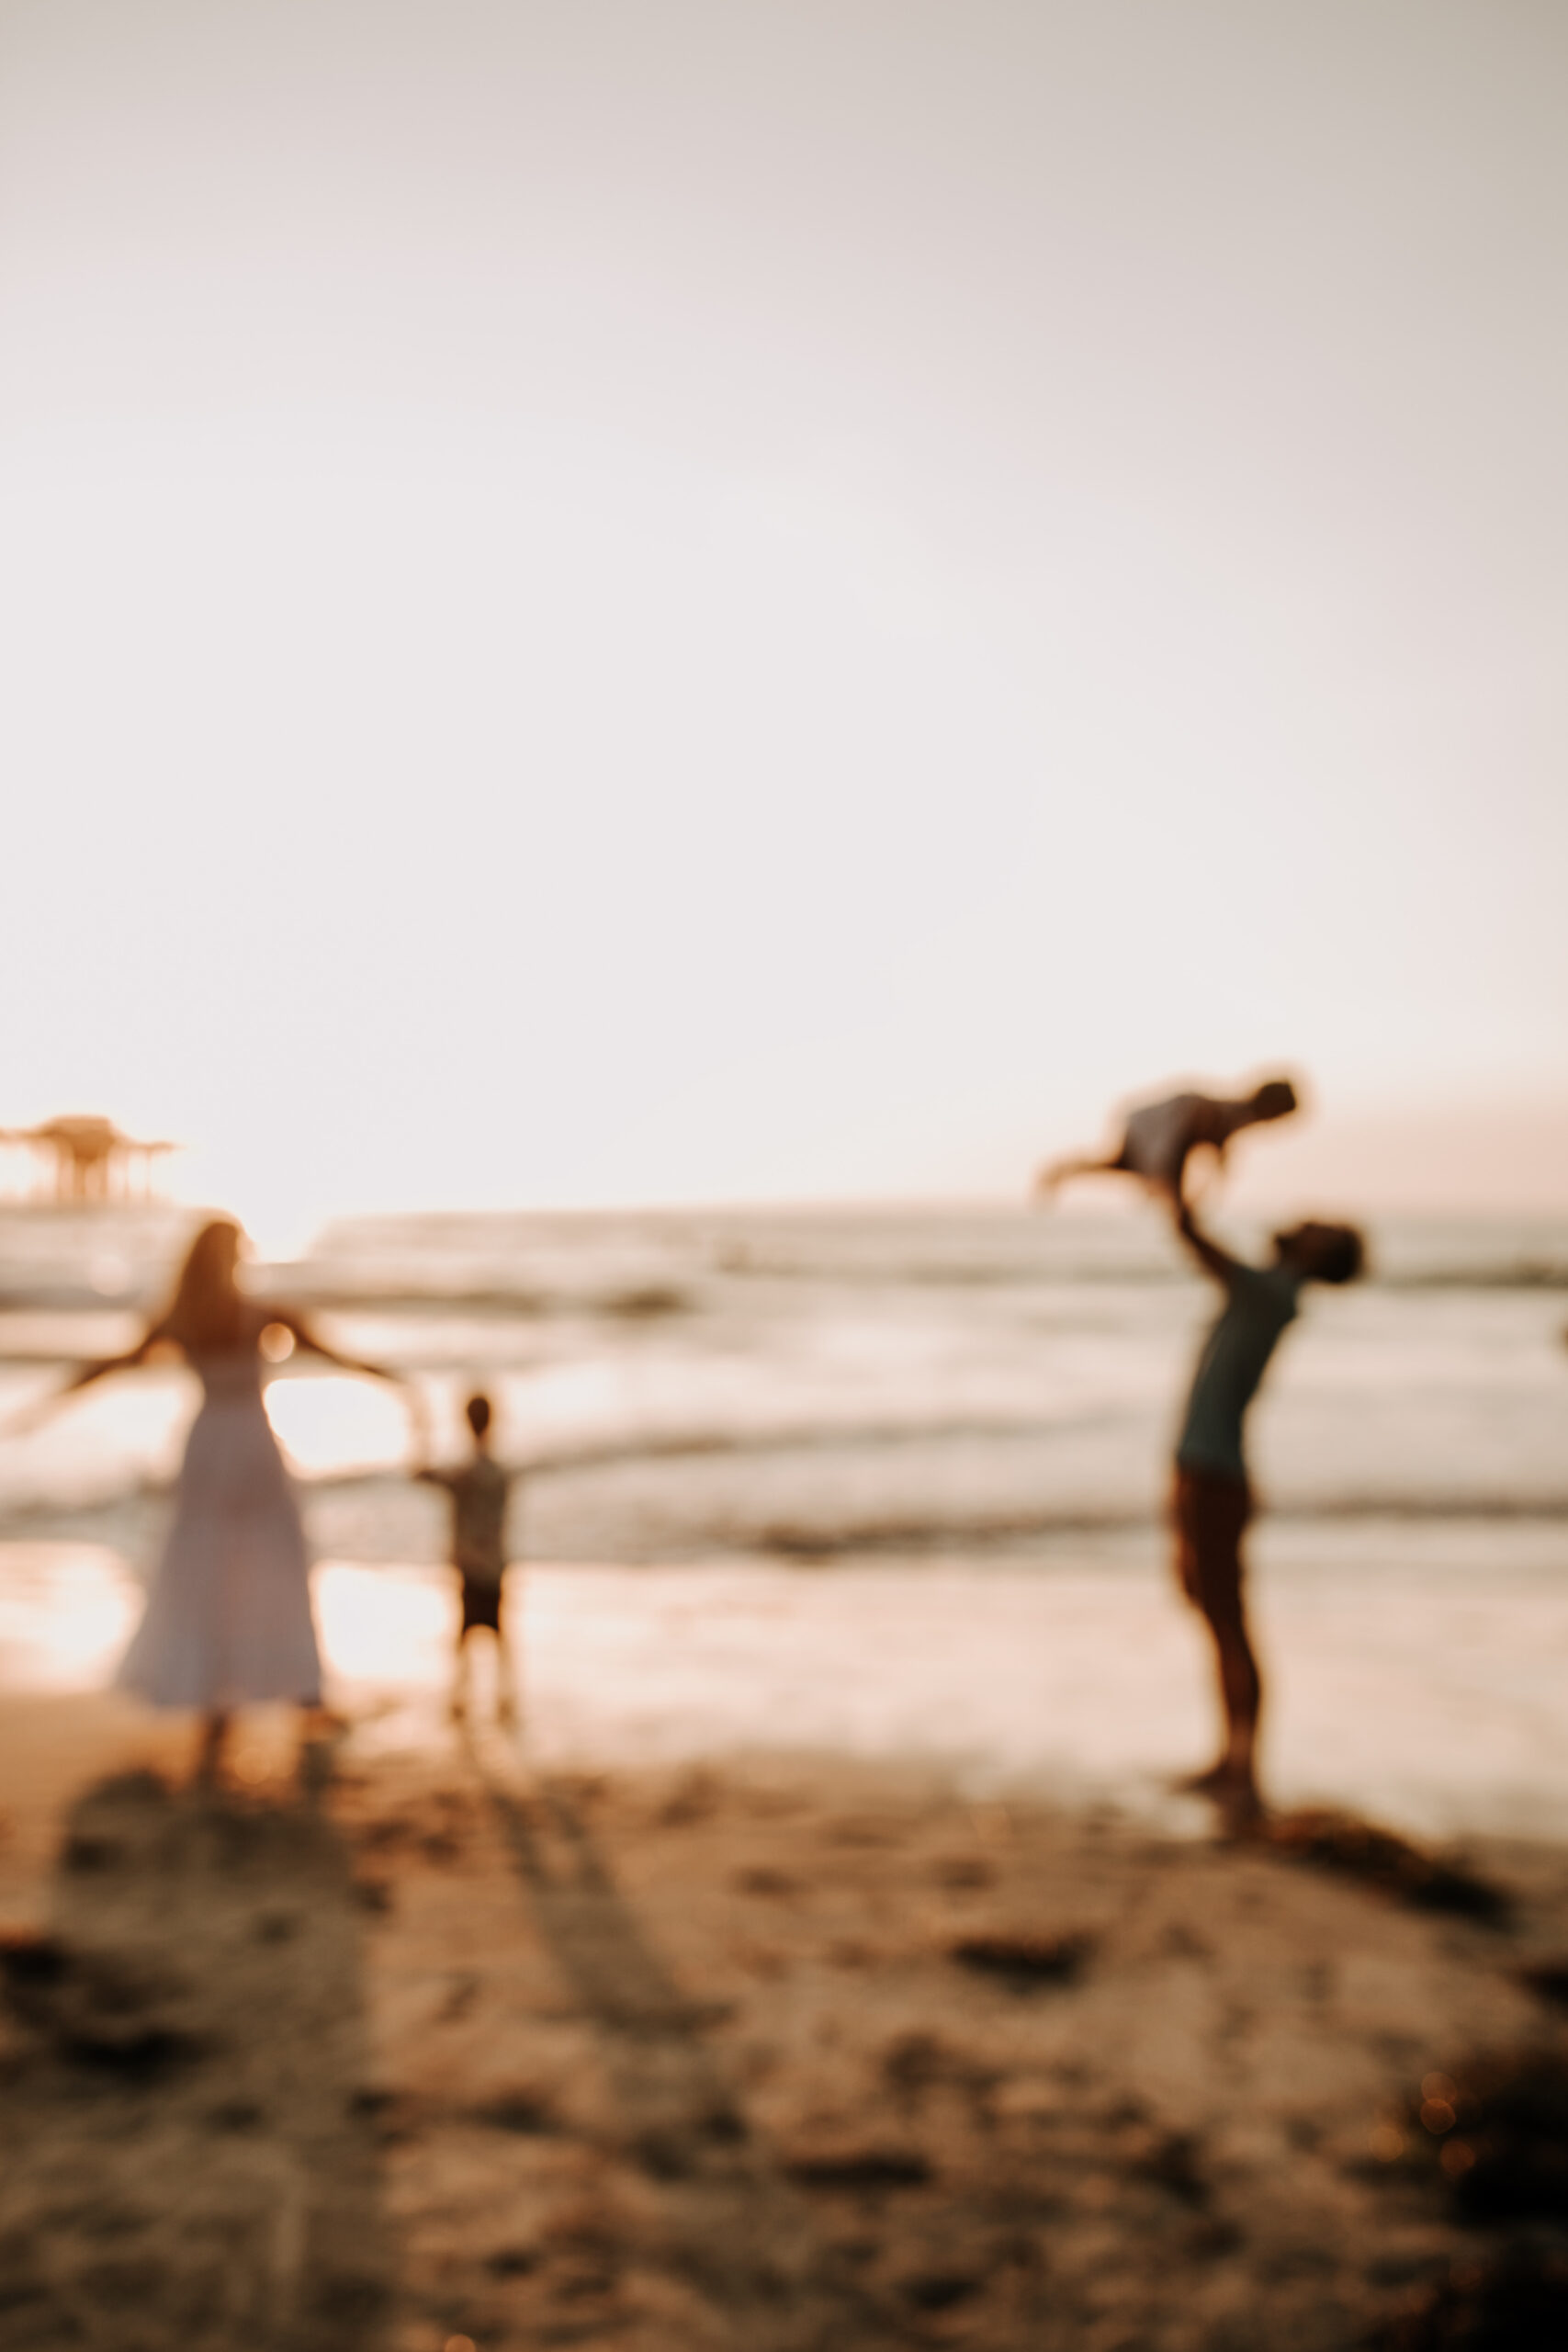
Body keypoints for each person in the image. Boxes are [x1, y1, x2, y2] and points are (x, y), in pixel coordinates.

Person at [8, 1218, 414, 1782]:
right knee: (273, 1563)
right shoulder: (259, 1312)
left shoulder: (188, 1318)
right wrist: (393, 1380)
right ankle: (295, 1694)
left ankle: (218, 1697)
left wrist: (43, 1407)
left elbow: (108, 1366)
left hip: (209, 1447)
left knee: (208, 1567)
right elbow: (335, 1352)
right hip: (250, 1442)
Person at [1168, 1194, 1364, 1821]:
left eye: (1318, 1227)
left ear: (1319, 1255)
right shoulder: (1267, 1293)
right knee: (1210, 1611)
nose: (1304, 1220)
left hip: (1215, 1478)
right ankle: (1227, 1760)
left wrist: (1172, 1178)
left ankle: (1244, 1771)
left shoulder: (1271, 1294)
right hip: (1200, 1471)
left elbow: (1193, 1241)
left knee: (1227, 1620)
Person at [1036, 1074, 1299, 1206]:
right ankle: (1060, 1171)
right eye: (1279, 1114)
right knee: (1124, 1167)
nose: (1275, 1122)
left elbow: (1215, 1143)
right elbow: (1193, 1135)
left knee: (1121, 1166)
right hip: (1162, 1125)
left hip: (1158, 1124)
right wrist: (1177, 1190)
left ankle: (1061, 1171)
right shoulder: (1238, 1111)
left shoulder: (1241, 1116)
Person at [417, 1392, 519, 1726]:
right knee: (499, 1631)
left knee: (464, 1632)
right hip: (496, 1561)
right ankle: (504, 1696)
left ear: (466, 1422)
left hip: (470, 1564)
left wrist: (421, 1430)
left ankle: (460, 1695)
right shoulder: (502, 1472)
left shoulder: (463, 1474)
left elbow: (421, 1475)